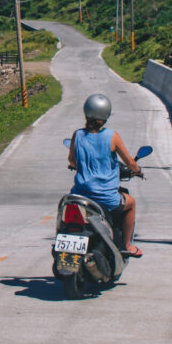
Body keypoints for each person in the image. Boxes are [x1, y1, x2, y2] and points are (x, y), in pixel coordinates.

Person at [67, 92, 144, 257]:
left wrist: (80, 165)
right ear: (106, 115)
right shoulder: (112, 136)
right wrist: (138, 171)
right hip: (105, 198)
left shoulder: (77, 135)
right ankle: (127, 245)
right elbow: (129, 162)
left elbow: (72, 160)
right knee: (131, 203)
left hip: (80, 196)